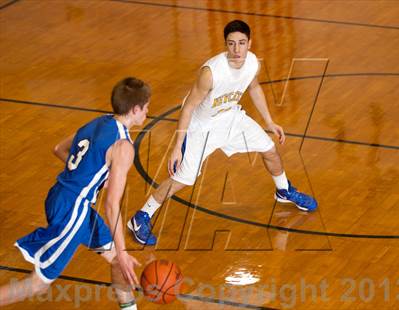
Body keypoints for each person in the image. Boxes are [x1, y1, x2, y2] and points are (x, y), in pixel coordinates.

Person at [128, 20, 317, 246]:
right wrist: (178, 146)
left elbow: (254, 87)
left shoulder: (252, 63)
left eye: (242, 43)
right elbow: (188, 107)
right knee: (184, 178)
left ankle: (283, 190)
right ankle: (141, 217)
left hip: (230, 117)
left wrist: (269, 121)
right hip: (201, 126)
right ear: (225, 44)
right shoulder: (211, 73)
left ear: (249, 43)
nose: (237, 50)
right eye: (231, 44)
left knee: (270, 149)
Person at [0, 77, 150, 310]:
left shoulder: (99, 122)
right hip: (74, 210)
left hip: (59, 195)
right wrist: (123, 251)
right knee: (37, 285)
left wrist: (88, 174)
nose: (148, 112)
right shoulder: (124, 146)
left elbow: (59, 149)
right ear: (135, 109)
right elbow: (111, 205)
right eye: (146, 107)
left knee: (119, 265)